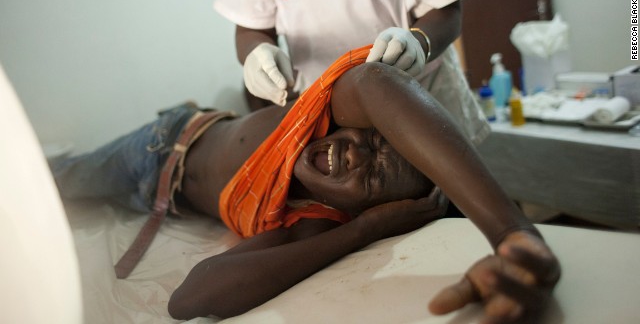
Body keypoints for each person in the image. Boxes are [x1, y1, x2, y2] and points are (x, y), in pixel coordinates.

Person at [53, 47, 560, 323]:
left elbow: (190, 299)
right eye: (372, 138)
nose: (353, 151)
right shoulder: (315, 120)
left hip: (168, 196)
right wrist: (512, 234)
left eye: (376, 173)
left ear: (367, 210)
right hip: (166, 141)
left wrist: (363, 232)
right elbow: (378, 84)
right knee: (60, 180)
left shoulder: (322, 221)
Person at [214, 0, 491, 145]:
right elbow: (251, 29)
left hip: (422, 95)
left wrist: (419, 42)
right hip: (329, 111)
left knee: (453, 204)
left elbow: (446, 9)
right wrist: (255, 53)